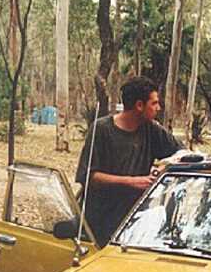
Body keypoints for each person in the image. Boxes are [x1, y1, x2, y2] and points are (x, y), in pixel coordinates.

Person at [76, 76, 183, 246]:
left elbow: (181, 154)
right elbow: (88, 176)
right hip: (99, 224)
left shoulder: (152, 129)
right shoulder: (102, 130)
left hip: (135, 224)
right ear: (139, 106)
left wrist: (163, 168)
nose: (158, 108)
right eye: (154, 103)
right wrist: (132, 182)